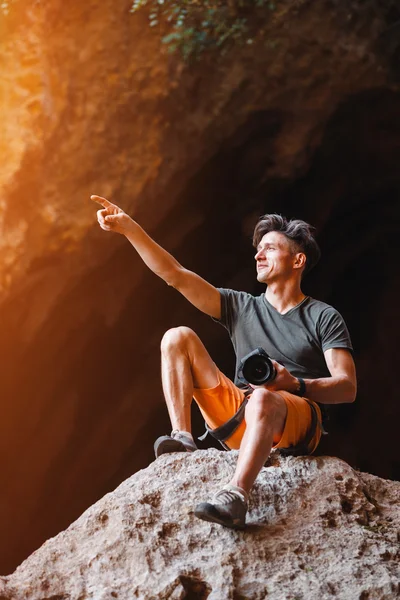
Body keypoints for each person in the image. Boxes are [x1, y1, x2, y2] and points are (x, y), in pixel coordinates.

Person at [92, 194, 357, 530]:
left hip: (297, 419)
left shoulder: (323, 316)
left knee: (263, 397)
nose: (259, 255)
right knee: (177, 337)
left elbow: (347, 388)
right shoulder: (240, 307)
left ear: (298, 260)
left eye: (271, 248)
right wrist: (129, 229)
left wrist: (293, 384)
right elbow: (175, 275)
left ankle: (237, 495)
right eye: (258, 249)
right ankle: (182, 436)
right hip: (241, 413)